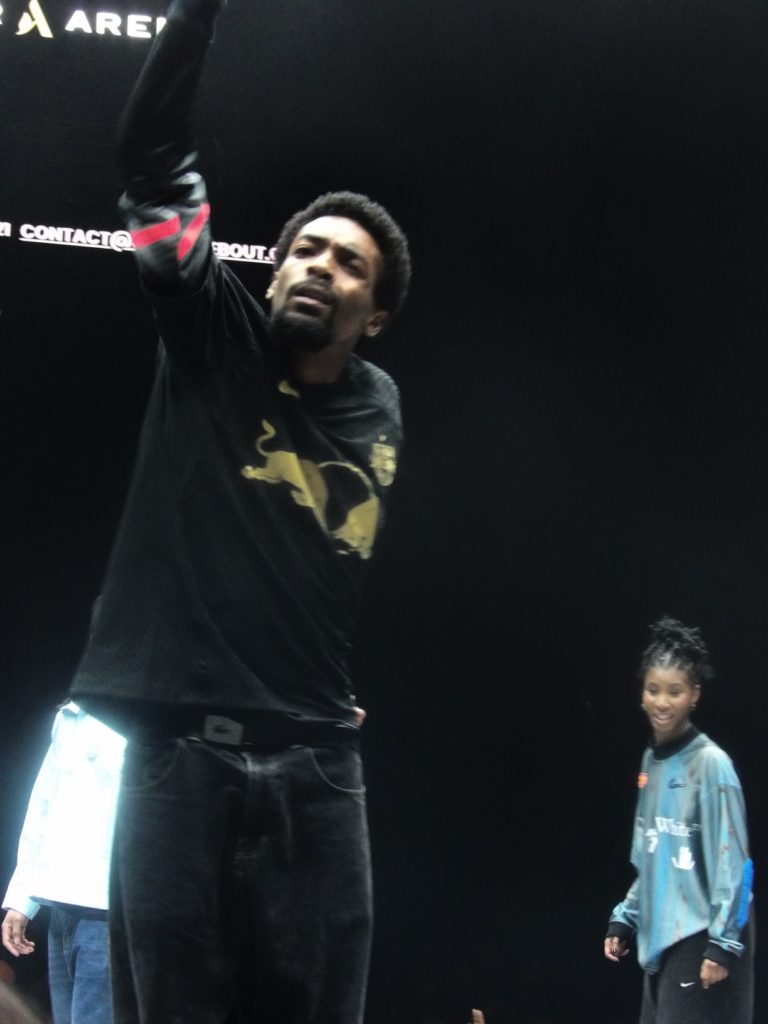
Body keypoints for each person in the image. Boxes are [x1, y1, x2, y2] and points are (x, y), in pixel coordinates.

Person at [67, 0, 411, 1020]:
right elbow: (151, 156)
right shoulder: (209, 331)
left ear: (376, 316)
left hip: (318, 767)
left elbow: (336, 568)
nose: (318, 266)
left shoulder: (381, 408)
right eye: (305, 249)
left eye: (348, 264)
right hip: (181, 764)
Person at [604, 617, 754, 1024]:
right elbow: (654, 858)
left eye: (675, 691)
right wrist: (626, 917)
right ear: (642, 694)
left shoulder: (711, 765)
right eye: (653, 690)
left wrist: (723, 943)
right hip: (662, 942)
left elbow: (735, 864)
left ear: (694, 695)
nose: (662, 702)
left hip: (702, 937)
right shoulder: (651, 763)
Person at [2, 702, 125, 1024]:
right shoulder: (71, 714)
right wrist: (22, 898)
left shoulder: (143, 717)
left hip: (109, 909)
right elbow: (43, 805)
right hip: (61, 903)